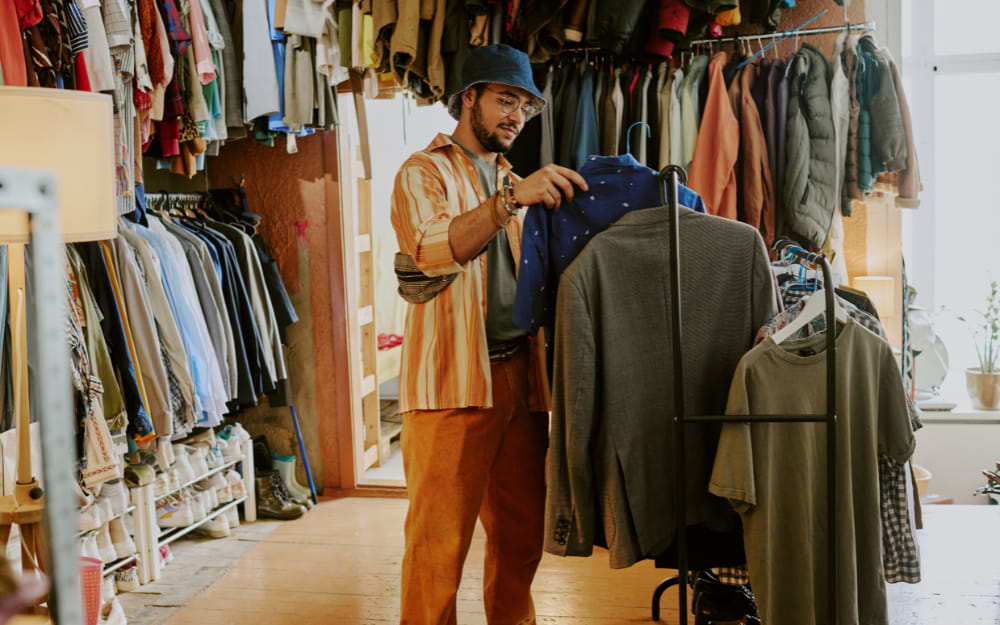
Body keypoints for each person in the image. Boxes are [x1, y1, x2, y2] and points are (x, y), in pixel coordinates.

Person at [390, 44, 588, 625]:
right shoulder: (421, 172)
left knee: (522, 538)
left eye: (524, 106)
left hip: (521, 383)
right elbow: (430, 249)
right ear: (468, 97)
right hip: (450, 383)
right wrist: (507, 202)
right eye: (506, 100)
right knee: (437, 550)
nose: (516, 116)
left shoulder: (514, 179)